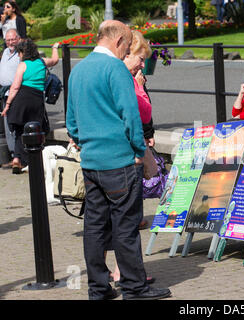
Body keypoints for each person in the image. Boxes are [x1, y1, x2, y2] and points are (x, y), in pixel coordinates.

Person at [66, 20, 171, 300]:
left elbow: (71, 122)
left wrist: (85, 141)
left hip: (91, 162)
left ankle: (98, 288)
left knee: (95, 227)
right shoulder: (114, 69)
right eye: (126, 46)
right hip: (119, 161)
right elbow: (131, 117)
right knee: (126, 227)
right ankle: (134, 287)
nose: (126, 52)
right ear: (118, 41)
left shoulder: (78, 70)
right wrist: (141, 154)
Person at [108, 30, 155, 286]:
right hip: (126, 157)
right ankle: (126, 273)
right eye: (138, 57)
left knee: (114, 219)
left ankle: (114, 271)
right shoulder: (125, 81)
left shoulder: (114, 76)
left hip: (110, 157)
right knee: (128, 218)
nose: (141, 63)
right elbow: (141, 116)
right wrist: (142, 155)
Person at [1, 38, 59, 174]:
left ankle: (18, 159)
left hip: (21, 99)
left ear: (23, 52)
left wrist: (7, 105)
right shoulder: (42, 62)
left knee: (20, 130)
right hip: (36, 100)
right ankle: (26, 160)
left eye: (19, 53)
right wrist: (55, 47)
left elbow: (15, 87)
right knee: (34, 128)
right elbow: (55, 60)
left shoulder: (23, 65)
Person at [0, 28, 20, 167]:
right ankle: (13, 155)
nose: (11, 42)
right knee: (7, 125)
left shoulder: (21, 53)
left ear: (18, 39)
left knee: (15, 124)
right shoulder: (5, 52)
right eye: (8, 40)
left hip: (16, 93)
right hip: (4, 93)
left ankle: (19, 156)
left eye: (13, 39)